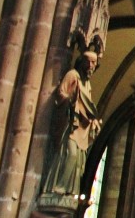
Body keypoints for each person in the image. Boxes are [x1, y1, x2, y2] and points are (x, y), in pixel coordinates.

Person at [40, 51, 101, 205]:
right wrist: (70, 101)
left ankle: (69, 192)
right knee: (70, 155)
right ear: (82, 61)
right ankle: (57, 188)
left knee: (79, 163)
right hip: (71, 126)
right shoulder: (73, 75)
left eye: (94, 63)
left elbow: (88, 108)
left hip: (82, 128)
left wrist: (93, 122)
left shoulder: (87, 84)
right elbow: (61, 94)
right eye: (90, 62)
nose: (92, 66)